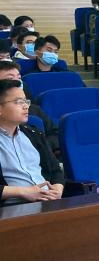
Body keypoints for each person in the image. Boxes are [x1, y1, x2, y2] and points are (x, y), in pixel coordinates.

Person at [0, 78, 64, 206]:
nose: (26, 106)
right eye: (18, 102)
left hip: (48, 203)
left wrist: (57, 189)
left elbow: (55, 169)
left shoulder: (34, 134)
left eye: (26, 101)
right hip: (12, 207)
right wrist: (23, 192)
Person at [0, 61, 59, 154]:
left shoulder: (34, 110)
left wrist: (40, 146)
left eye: (19, 78)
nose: (18, 82)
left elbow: (54, 133)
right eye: (10, 78)